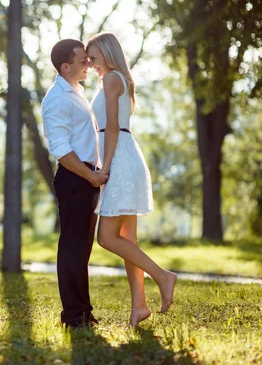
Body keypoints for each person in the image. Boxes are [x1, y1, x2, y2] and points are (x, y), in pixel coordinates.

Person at [87, 32, 177, 327]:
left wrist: (105, 167)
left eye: (94, 57)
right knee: (127, 239)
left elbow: (111, 128)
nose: (91, 63)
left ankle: (163, 275)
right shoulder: (116, 79)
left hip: (119, 160)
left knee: (107, 238)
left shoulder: (111, 79)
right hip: (124, 156)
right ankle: (139, 305)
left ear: (108, 54)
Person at [41, 39, 108, 329]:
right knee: (72, 248)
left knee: (82, 250)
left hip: (86, 177)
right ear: (64, 66)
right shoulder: (57, 97)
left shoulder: (76, 92)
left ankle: (83, 312)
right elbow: (60, 148)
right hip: (75, 179)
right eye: (83, 60)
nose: (89, 65)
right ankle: (73, 316)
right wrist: (90, 175)